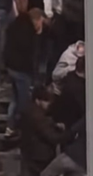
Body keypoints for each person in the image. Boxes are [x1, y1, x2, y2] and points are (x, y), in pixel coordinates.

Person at [19, 87, 79, 176]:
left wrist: (54, 126)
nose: (48, 105)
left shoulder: (32, 112)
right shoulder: (36, 115)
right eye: (46, 101)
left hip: (34, 154)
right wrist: (70, 134)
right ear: (38, 101)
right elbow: (50, 136)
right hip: (38, 157)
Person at [3, 8, 45, 138]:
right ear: (37, 20)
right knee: (23, 101)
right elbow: (31, 54)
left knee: (15, 100)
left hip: (11, 67)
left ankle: (10, 127)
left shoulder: (16, 24)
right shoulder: (28, 32)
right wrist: (38, 35)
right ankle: (25, 129)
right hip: (21, 70)